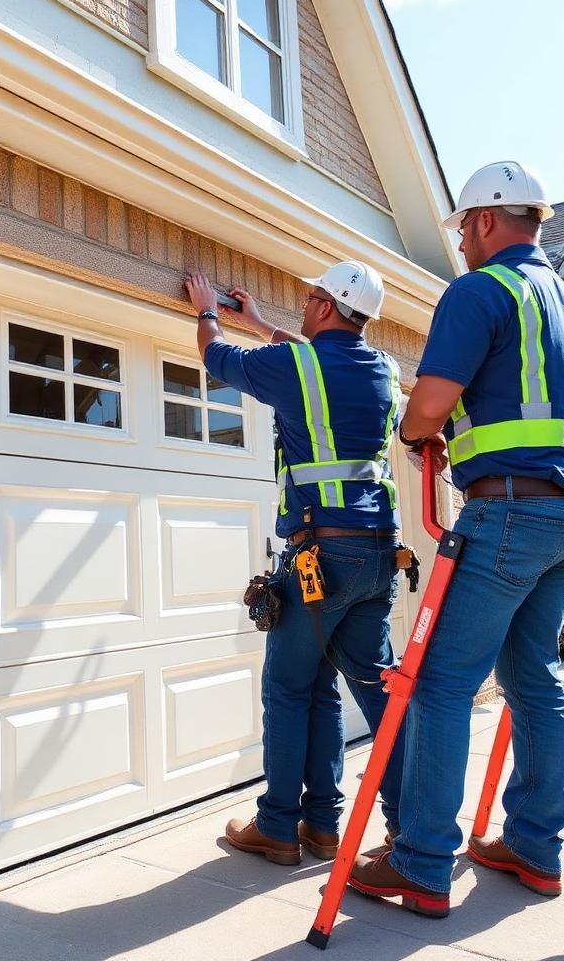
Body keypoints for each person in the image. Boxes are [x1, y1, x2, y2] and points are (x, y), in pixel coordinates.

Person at [349, 161, 564, 917]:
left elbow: (431, 401)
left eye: (463, 227)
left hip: (510, 513)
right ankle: (534, 845)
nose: (460, 242)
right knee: (534, 679)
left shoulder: (479, 290)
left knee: (441, 685)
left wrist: (412, 429)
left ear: (488, 220)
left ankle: (422, 862)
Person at [184, 261, 407, 867]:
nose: (303, 305)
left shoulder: (297, 365)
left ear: (328, 306)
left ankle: (280, 826)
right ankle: (373, 830)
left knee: (288, 689)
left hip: (318, 556)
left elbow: (216, 359)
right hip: (379, 556)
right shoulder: (383, 370)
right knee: (358, 692)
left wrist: (208, 310)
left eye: (310, 298)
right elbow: (315, 360)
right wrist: (260, 323)